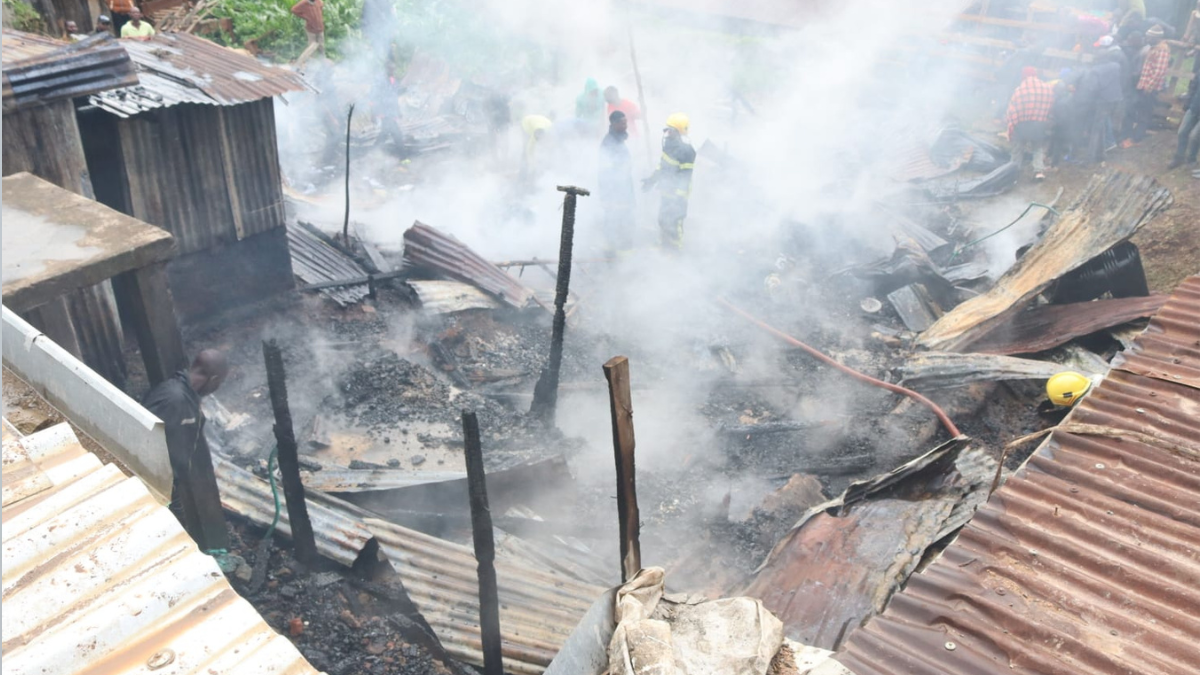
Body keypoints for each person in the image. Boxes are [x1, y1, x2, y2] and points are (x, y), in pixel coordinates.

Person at [141, 350, 230, 550]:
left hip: (168, 482)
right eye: (219, 383)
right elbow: (147, 443)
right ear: (213, 379)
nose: (217, 388)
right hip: (154, 483)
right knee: (168, 536)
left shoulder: (185, 394)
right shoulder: (175, 400)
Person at [642, 113, 695, 250]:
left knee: (675, 222)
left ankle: (675, 249)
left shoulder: (687, 151)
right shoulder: (669, 146)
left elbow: (685, 176)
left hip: (677, 194)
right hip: (666, 190)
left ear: (678, 132)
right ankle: (663, 245)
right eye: (666, 129)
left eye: (670, 130)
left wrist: (678, 197)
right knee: (663, 220)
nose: (667, 133)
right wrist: (651, 180)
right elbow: (662, 167)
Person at [1122, 26, 1170, 147]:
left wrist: (1149, 87)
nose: (1146, 39)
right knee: (1134, 110)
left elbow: (1159, 71)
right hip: (1143, 86)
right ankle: (1128, 135)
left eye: (1149, 37)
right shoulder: (1153, 48)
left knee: (1144, 114)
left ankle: (1136, 139)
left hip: (1149, 89)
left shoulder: (1162, 50)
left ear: (1155, 38)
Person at [1005, 66, 1056, 180]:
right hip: (1039, 125)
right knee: (1037, 149)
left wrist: (1010, 128)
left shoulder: (1020, 90)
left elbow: (1012, 111)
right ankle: (1039, 172)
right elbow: (1051, 107)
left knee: (1017, 149)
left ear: (1024, 76)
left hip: (1021, 126)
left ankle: (1014, 172)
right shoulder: (1047, 89)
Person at [598, 110, 635, 255]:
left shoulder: (617, 139)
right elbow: (609, 170)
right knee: (620, 219)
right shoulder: (609, 142)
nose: (626, 126)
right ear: (613, 124)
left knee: (616, 219)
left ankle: (612, 249)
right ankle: (622, 253)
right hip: (616, 190)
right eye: (622, 123)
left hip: (620, 188)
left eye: (626, 122)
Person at [1170, 81, 1200, 168]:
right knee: (1182, 132)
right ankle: (1179, 158)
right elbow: (1193, 87)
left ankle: (1191, 160)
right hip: (1194, 107)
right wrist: (1188, 103)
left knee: (1195, 136)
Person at [291, 0, 325, 70]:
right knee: (312, 46)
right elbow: (293, 10)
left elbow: (321, 7)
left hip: (320, 28)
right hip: (311, 28)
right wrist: (306, 17)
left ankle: (323, 62)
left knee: (321, 47)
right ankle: (301, 64)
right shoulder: (304, 3)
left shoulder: (319, 2)